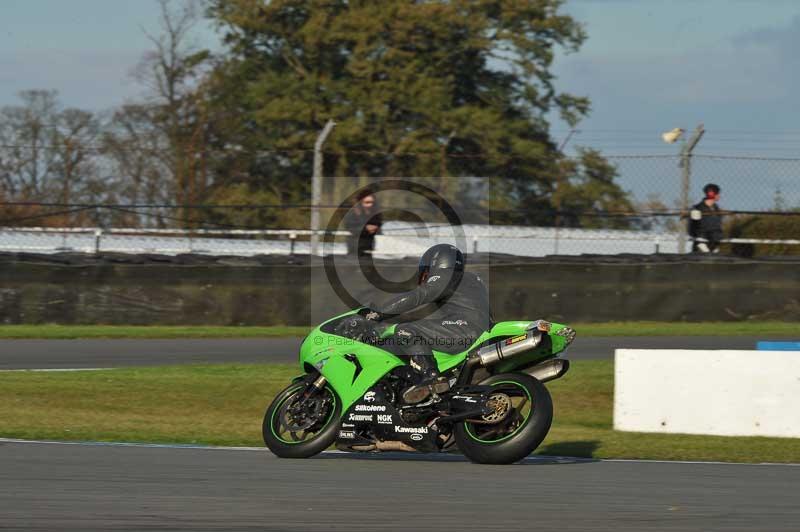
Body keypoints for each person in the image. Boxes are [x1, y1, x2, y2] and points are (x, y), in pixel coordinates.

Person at [366, 244, 493, 403]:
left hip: (464, 328)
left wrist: (377, 314)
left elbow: (420, 295)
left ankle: (430, 376)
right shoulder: (471, 279)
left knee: (406, 330)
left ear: (436, 264)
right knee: (417, 326)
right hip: (479, 331)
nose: (425, 279)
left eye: (426, 273)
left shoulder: (447, 275)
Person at [344, 191, 382, 256]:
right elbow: (350, 228)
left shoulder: (375, 213)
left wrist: (375, 228)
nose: (370, 205)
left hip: (369, 245)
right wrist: (366, 228)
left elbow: (379, 228)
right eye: (367, 202)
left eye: (372, 202)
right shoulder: (353, 213)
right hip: (355, 245)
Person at [689, 183, 724, 253]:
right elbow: (693, 228)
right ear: (711, 194)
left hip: (714, 241)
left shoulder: (717, 209)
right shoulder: (697, 208)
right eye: (717, 193)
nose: (719, 196)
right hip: (702, 241)